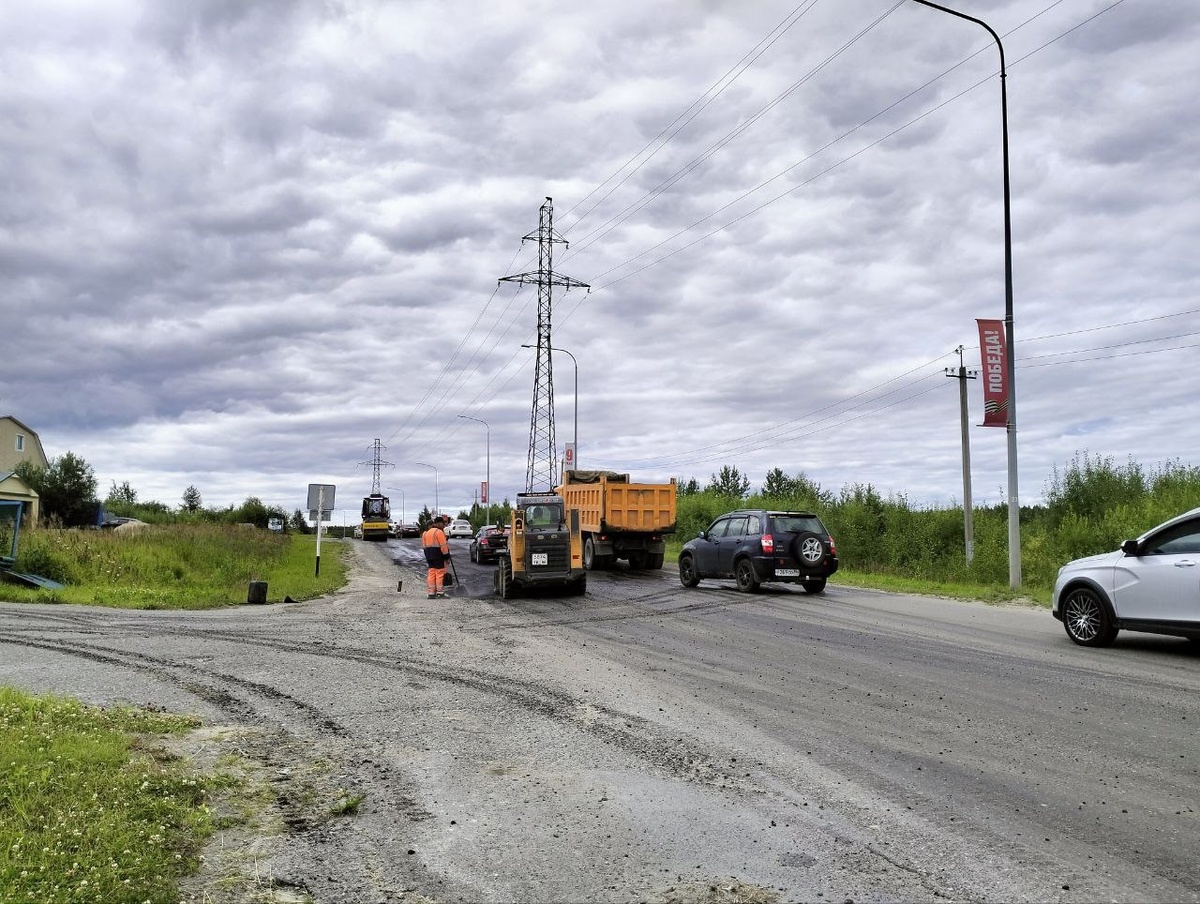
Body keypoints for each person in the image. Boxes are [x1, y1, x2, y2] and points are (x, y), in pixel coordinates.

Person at [421, 515, 451, 598]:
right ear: (439, 523)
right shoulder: (439, 532)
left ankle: (431, 593)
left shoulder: (427, 532)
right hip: (438, 555)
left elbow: (424, 546)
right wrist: (447, 557)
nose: (444, 526)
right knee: (440, 573)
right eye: (443, 524)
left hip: (429, 555)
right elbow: (443, 546)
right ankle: (440, 592)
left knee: (432, 573)